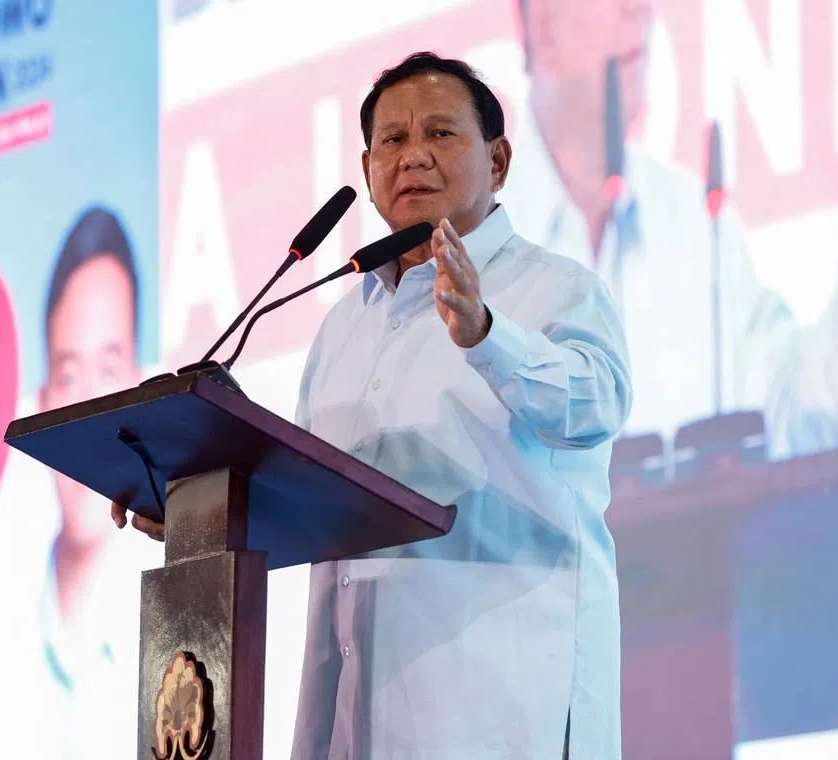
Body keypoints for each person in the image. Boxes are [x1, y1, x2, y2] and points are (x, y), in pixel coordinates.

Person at [115, 52, 633, 759]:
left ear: (500, 160)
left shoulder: (557, 289)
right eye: (392, 141)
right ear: (367, 169)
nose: (413, 156)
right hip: (358, 717)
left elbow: (595, 405)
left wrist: (486, 335)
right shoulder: (343, 327)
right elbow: (308, 502)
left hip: (504, 708)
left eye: (441, 134)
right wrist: (190, 506)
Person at [503, 0, 838, 458]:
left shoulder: (695, 221)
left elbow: (807, 438)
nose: (639, 8)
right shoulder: (467, 246)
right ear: (543, 25)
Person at [0, 207, 155, 760]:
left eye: (109, 368)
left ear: (142, 387)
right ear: (41, 404)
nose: (89, 405)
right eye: (69, 376)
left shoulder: (179, 621)